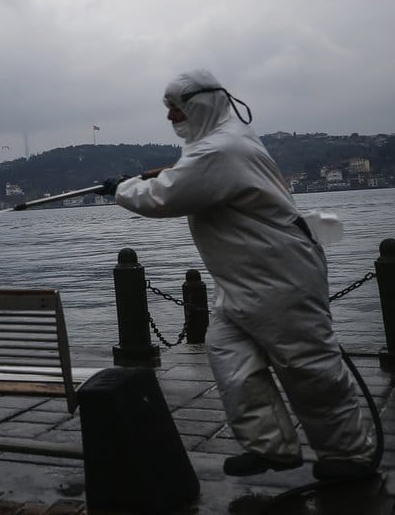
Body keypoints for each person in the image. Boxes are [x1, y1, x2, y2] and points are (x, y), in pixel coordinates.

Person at [103, 69, 376, 483]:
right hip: (247, 279)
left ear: (200, 105)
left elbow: (166, 196)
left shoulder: (220, 149)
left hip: (279, 274)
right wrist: (165, 173)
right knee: (229, 353)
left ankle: (349, 456)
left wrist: (119, 190)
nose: (171, 117)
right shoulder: (226, 141)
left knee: (308, 367)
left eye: (177, 108)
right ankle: (272, 447)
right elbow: (189, 177)